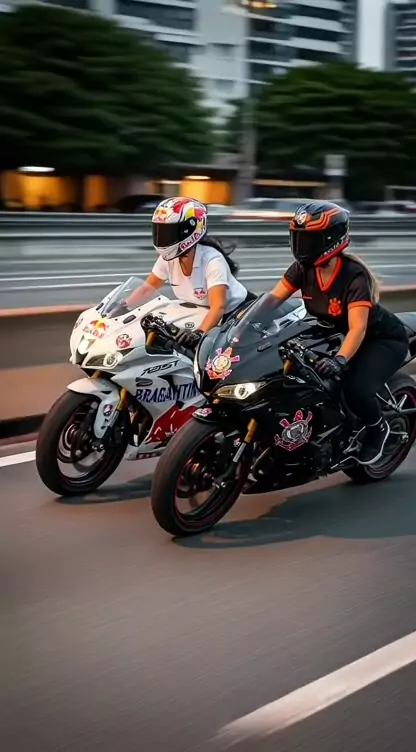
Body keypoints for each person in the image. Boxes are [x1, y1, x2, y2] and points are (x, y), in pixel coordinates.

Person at [270, 200, 409, 466]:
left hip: (379, 340)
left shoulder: (354, 277)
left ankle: (378, 429)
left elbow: (358, 328)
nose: (301, 246)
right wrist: (243, 320)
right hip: (337, 335)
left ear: (330, 240)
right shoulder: (302, 269)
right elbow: (272, 299)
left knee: (356, 389)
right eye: (299, 238)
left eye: (309, 240)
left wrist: (339, 361)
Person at [126, 197, 255, 348]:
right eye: (160, 231)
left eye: (169, 232)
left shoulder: (212, 260)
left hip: (237, 313)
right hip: (201, 311)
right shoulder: (168, 259)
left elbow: (218, 307)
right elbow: (147, 288)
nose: (163, 238)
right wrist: (123, 306)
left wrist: (199, 334)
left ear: (191, 229)